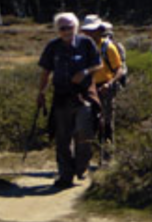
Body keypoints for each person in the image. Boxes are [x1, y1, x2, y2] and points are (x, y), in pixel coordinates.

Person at [37, 12, 102, 188]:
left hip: (83, 96)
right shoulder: (53, 47)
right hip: (61, 97)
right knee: (62, 138)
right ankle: (65, 175)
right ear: (58, 30)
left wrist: (85, 73)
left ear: (76, 27)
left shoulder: (86, 43)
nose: (66, 31)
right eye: (62, 28)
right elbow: (46, 71)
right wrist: (41, 92)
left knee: (84, 132)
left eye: (69, 27)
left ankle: (81, 167)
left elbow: (98, 64)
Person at [80, 15, 123, 160]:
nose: (89, 34)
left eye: (92, 31)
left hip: (105, 87)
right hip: (87, 88)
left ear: (99, 30)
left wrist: (109, 83)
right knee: (88, 123)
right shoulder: (82, 47)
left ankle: (108, 156)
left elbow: (119, 69)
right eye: (87, 31)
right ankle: (87, 157)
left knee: (106, 122)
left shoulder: (108, 47)